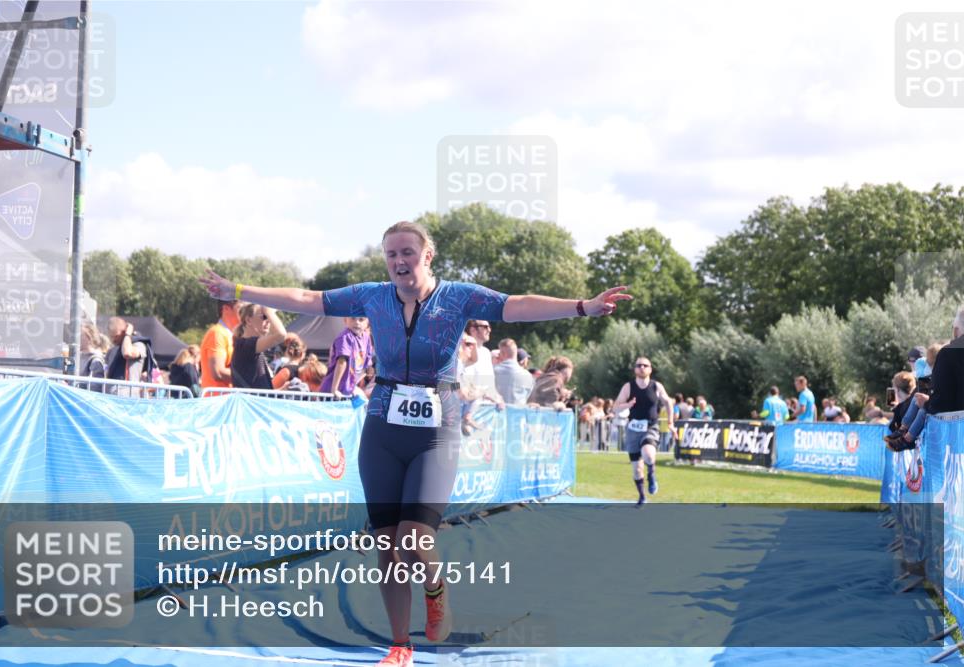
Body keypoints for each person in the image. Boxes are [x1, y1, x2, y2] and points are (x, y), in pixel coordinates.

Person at [199, 220, 630, 667]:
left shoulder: (458, 297)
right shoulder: (372, 295)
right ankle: (400, 644)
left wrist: (583, 306)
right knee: (387, 545)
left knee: (415, 534)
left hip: (436, 430)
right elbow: (307, 299)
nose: (399, 262)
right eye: (391, 255)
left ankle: (437, 593)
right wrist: (240, 288)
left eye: (408, 252)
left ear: (427, 256)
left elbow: (517, 305)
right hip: (382, 428)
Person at [887, 308, 964, 450]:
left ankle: (906, 436)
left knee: (922, 407)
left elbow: (943, 399)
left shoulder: (949, 354)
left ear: (957, 329)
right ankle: (905, 433)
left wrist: (928, 404)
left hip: (954, 431)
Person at [612, 357, 675, 506]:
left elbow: (668, 402)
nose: (641, 367)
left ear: (650, 369)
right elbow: (615, 407)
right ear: (635, 369)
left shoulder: (656, 386)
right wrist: (627, 404)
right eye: (638, 365)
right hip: (633, 430)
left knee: (648, 454)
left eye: (645, 365)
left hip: (650, 427)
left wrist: (671, 422)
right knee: (636, 469)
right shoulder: (628, 387)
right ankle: (642, 496)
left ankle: (651, 475)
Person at [231, 304, 287, 390]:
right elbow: (281, 335)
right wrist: (269, 311)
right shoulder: (245, 346)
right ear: (249, 320)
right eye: (264, 316)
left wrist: (280, 391)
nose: (268, 320)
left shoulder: (250, 346)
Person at [319, 316, 374, 397]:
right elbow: (341, 362)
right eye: (353, 318)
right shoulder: (345, 337)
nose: (357, 322)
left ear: (367, 323)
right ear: (345, 320)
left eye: (361, 319)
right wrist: (334, 389)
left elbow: (366, 365)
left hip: (347, 390)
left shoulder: (366, 338)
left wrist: (353, 387)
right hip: (332, 390)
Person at [200, 299, 241, 391]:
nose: (245, 313)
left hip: (226, 400)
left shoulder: (231, 335)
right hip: (217, 401)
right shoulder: (217, 333)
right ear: (226, 309)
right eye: (241, 310)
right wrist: (248, 377)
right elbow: (218, 372)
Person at [493, 338, 534, 405]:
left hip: (497, 413)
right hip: (519, 413)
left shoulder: (493, 371)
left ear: (503, 353)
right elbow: (527, 397)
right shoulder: (528, 376)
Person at [79, 322, 110, 392]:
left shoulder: (96, 360)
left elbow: (95, 387)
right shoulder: (78, 357)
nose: (77, 339)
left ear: (89, 338)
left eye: (81, 336)